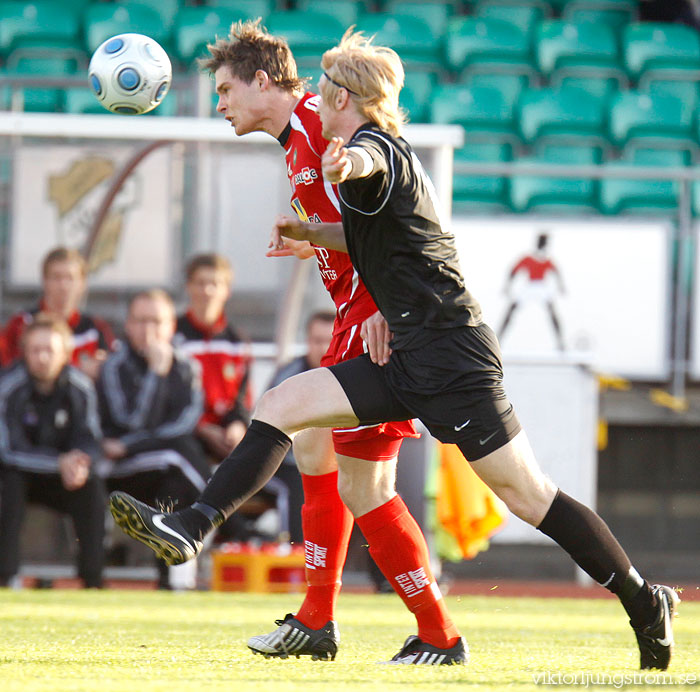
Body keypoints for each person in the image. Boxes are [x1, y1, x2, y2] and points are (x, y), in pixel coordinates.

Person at [110, 30, 677, 669]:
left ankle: (639, 599)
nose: (313, 106)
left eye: (322, 97)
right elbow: (370, 229)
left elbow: (371, 164)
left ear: (343, 100)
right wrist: (309, 232)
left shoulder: (369, 147)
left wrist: (348, 176)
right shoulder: (335, 140)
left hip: (450, 354)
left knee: (526, 496)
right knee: (291, 413)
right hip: (404, 353)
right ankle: (196, 528)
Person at [192, 20, 451, 663]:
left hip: (372, 321)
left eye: (226, 89)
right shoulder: (298, 136)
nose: (219, 103)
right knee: (322, 458)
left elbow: (388, 219)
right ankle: (325, 618)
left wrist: (387, 306)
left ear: (262, 81)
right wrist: (312, 240)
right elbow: (357, 227)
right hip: (355, 316)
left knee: (351, 474)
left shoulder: (318, 124)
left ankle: (430, 631)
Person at [98, 289, 209, 590]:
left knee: (177, 475)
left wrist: (135, 443)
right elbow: (131, 422)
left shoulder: (188, 367)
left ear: (171, 326)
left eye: (157, 322)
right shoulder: (113, 367)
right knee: (180, 452)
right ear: (129, 325)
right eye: (141, 321)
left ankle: (170, 579)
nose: (149, 330)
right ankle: (232, 523)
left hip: (167, 463)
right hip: (122, 468)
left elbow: (185, 424)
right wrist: (156, 375)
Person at [0, 315, 106, 588]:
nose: (43, 358)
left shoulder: (80, 388)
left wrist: (80, 462)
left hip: (66, 477)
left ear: (66, 354)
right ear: (24, 352)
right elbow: (10, 450)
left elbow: (91, 439)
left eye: (50, 351)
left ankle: (93, 580)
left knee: (92, 488)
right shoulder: (9, 387)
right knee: (8, 486)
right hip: (20, 476)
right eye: (36, 350)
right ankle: (6, 576)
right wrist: (59, 462)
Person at [174, 253, 253, 462]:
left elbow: (243, 398)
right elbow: (166, 396)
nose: (207, 291)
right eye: (200, 283)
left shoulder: (237, 341)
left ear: (227, 291)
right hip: (186, 434)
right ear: (188, 287)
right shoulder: (172, 335)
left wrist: (237, 425)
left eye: (215, 284)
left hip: (228, 436)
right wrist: (201, 428)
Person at [265, 310, 335, 543]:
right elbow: (271, 431)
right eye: (318, 341)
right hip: (288, 464)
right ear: (307, 342)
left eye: (330, 340)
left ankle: (385, 578)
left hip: (337, 464)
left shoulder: (350, 376)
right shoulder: (289, 377)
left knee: (373, 491)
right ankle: (299, 562)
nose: (324, 348)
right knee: (298, 488)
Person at [1, 247, 115, 380]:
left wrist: (104, 368)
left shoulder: (96, 329)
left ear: (82, 284)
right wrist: (78, 370)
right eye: (56, 277)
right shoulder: (22, 323)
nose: (63, 285)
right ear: (44, 281)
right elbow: (6, 371)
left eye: (70, 278)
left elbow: (116, 371)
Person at [499, 232, 566, 351]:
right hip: (529, 286)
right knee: (512, 309)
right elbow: (514, 270)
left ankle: (561, 342)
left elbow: (556, 272)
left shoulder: (547, 259)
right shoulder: (529, 258)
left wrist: (561, 286)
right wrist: (507, 285)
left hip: (541, 286)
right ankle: (498, 338)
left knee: (552, 312)